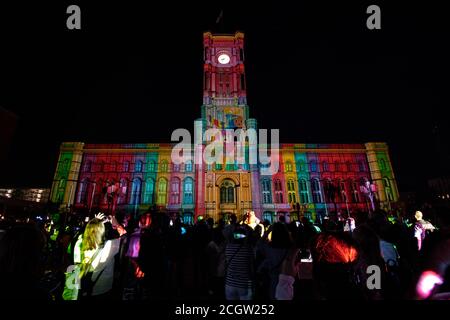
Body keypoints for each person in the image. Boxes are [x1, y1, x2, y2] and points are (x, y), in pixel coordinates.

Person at [74, 213, 126, 299]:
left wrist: (94, 222)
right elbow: (124, 236)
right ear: (102, 231)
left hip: (81, 286)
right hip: (101, 289)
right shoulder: (109, 246)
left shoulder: (79, 243)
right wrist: (115, 223)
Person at [224, 224, 255, 300]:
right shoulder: (248, 249)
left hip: (229, 283)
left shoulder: (228, 247)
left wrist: (235, 225)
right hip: (244, 284)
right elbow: (252, 267)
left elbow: (225, 233)